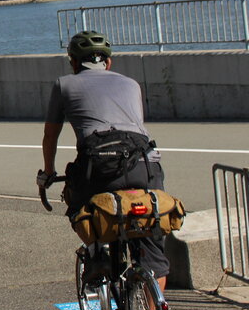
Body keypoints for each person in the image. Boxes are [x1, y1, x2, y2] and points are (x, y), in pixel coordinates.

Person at [37, 30, 169, 290]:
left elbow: (50, 135)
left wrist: (48, 172)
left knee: (79, 206)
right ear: (108, 62)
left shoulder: (64, 84)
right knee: (150, 234)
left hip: (98, 165)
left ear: (74, 62)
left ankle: (97, 254)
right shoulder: (131, 84)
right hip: (145, 163)